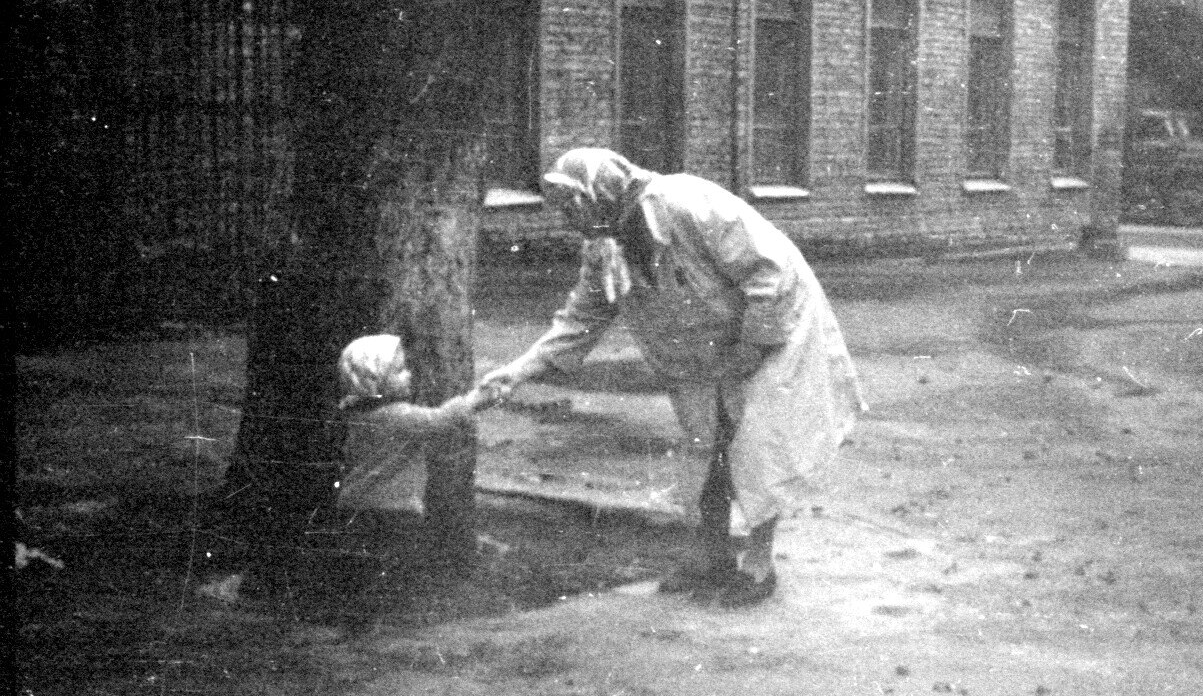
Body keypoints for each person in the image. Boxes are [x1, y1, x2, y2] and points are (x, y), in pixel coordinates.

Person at [479, 148, 865, 608]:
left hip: (774, 327)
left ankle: (758, 565)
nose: (565, 219)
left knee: (757, 445)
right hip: (700, 347)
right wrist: (517, 372)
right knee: (704, 443)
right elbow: (581, 319)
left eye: (570, 206)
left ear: (597, 196)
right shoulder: (603, 245)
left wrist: (751, 347)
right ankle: (712, 556)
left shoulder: (685, 201)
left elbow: (770, 270)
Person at [331, 333, 495, 582]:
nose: (409, 374)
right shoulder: (396, 416)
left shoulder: (357, 414)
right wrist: (477, 398)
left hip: (355, 507)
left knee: (365, 573)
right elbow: (441, 420)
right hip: (393, 511)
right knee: (396, 571)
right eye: (399, 371)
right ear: (375, 379)